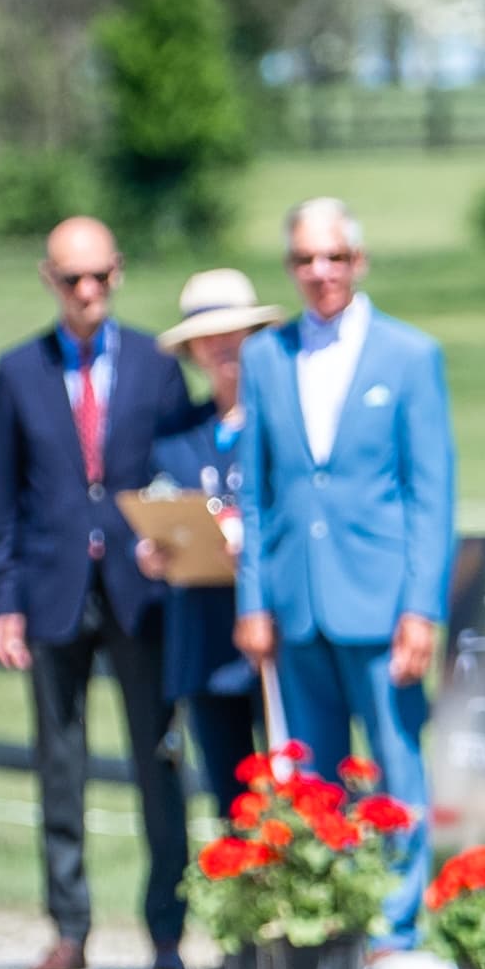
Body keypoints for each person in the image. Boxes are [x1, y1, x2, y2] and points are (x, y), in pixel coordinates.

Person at [0, 216, 208, 969]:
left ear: (118, 274)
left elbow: (180, 468)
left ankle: (169, 931)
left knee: (158, 759)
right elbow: (3, 495)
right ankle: (69, 926)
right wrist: (3, 599)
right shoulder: (17, 371)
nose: (87, 292)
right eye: (71, 279)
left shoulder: (155, 363)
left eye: (100, 277)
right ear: (49, 281)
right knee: (59, 760)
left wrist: (173, 545)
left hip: (138, 589)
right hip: (52, 589)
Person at [234, 198, 453, 948]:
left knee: (396, 765)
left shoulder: (410, 356)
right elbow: (256, 494)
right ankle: (330, 917)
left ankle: (396, 927)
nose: (320, 272)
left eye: (333, 257)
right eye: (304, 260)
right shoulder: (266, 358)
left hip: (382, 600)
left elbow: (431, 494)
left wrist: (420, 608)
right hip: (297, 601)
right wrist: (253, 598)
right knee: (316, 777)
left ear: (357, 262)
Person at [138, 270, 283, 818]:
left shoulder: (283, 427)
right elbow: (158, 510)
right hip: (202, 635)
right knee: (230, 800)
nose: (223, 350)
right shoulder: (178, 435)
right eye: (209, 339)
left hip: (273, 636)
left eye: (234, 336)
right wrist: (153, 552)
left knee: (292, 787)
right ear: (192, 350)